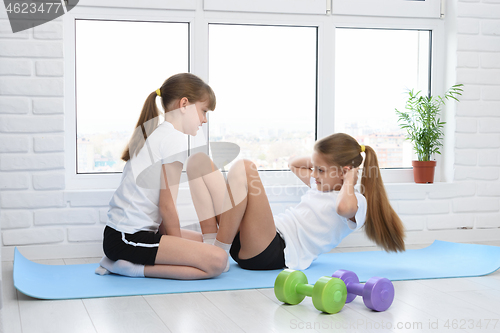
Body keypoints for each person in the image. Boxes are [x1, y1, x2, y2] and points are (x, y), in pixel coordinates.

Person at [189, 132, 406, 271]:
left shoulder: (357, 201)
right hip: (254, 239)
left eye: (320, 170)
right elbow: (293, 164)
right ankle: (213, 244)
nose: (315, 174)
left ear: (344, 172)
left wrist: (349, 179)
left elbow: (342, 208)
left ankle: (218, 253)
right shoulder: (319, 185)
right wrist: (319, 160)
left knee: (244, 167)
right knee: (198, 162)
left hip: (274, 251)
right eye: (315, 168)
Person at [96, 73, 228, 279]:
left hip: (130, 235)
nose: (204, 120)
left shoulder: (160, 133)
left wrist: (182, 248)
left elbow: (161, 206)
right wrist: (181, 250)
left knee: (206, 244)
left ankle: (125, 262)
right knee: (218, 261)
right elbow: (167, 206)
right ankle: (128, 267)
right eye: (203, 111)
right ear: (184, 104)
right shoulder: (173, 140)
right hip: (126, 238)